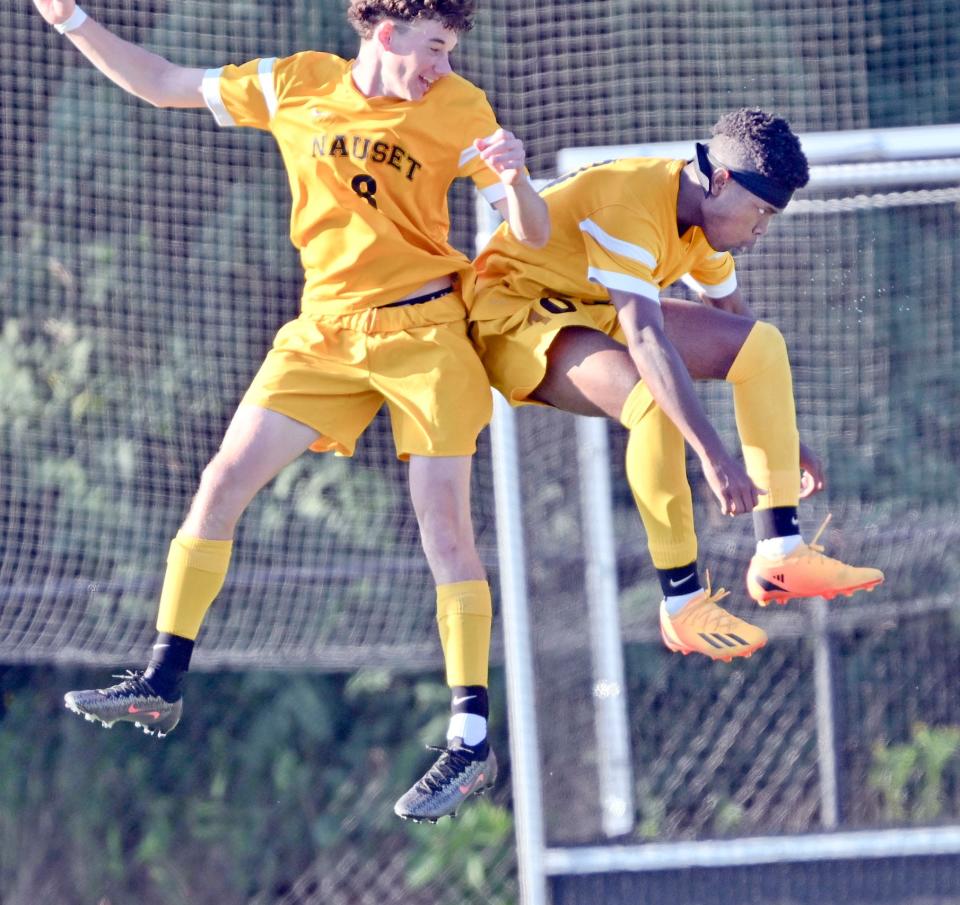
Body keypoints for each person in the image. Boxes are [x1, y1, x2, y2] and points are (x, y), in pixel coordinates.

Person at [35, 0, 549, 822]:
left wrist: (517, 176)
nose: (442, 65)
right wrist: (71, 22)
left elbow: (531, 228)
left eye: (451, 50)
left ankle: (469, 738)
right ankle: (161, 680)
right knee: (220, 481)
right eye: (433, 47)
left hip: (425, 333)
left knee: (444, 528)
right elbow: (163, 82)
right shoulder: (295, 83)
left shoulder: (462, 108)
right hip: (323, 334)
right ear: (384, 33)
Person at [469, 108, 883, 662]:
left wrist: (780, 441)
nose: (761, 229)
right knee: (652, 403)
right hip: (513, 313)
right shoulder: (631, 206)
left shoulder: (704, 223)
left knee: (763, 345)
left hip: (589, 305)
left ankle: (780, 553)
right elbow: (646, 341)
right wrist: (713, 455)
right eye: (759, 211)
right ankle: (682, 605)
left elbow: (737, 322)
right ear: (721, 181)